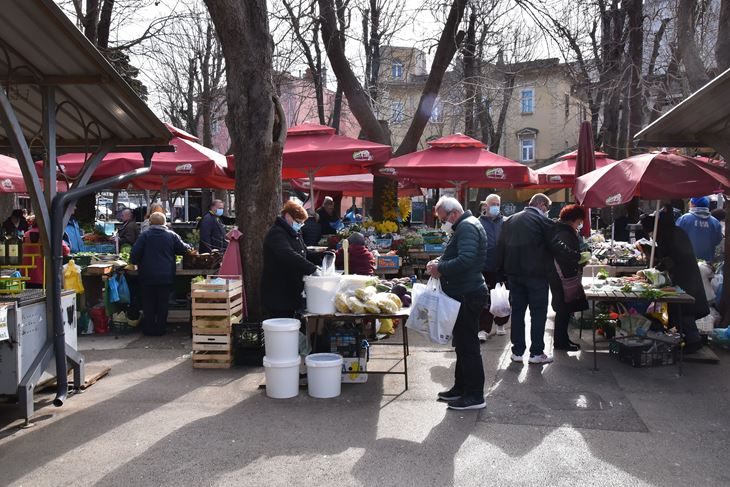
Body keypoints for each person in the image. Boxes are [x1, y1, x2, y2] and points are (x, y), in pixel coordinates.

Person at [427, 196, 488, 411]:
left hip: (467, 293)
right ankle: (461, 388)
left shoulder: (467, 228)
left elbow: (466, 260)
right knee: (462, 345)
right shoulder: (465, 226)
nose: (443, 223)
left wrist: (441, 268)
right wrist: (439, 262)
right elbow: (462, 256)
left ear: (453, 214)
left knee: (468, 346)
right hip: (464, 292)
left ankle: (474, 396)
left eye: (443, 219)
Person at [496, 193, 556, 364]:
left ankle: (517, 352)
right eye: (548, 208)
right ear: (542, 205)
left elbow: (500, 247)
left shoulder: (510, 221)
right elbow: (553, 247)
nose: (547, 211)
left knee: (517, 314)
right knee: (538, 314)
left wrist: (500, 273)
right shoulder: (544, 222)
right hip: (537, 276)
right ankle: (536, 353)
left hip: (514, 276)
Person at [640, 208, 708, 353]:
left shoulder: (667, 235)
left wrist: (655, 269)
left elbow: (671, 259)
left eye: (650, 233)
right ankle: (690, 338)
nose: (650, 236)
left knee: (684, 308)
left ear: (653, 228)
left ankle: (694, 341)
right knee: (681, 308)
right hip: (685, 275)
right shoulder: (671, 231)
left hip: (685, 278)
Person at [130, 212, 191, 336]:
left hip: (147, 275)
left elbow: (135, 253)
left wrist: (135, 262)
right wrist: (189, 246)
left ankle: (149, 329)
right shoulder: (171, 235)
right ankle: (160, 329)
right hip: (166, 275)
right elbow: (183, 249)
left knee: (148, 303)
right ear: (164, 223)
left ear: (150, 223)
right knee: (163, 303)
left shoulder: (145, 235)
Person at [261, 200, 321, 318]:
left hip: (291, 292)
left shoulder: (294, 233)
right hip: (278, 293)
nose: (299, 225)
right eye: (298, 222)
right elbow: (288, 254)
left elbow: (303, 252)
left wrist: (322, 257)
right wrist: (312, 268)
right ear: (288, 216)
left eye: (302, 223)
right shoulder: (277, 233)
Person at [549, 205, 590, 352]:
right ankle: (560, 343)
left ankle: (563, 340)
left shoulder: (559, 229)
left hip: (559, 276)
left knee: (564, 310)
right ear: (572, 219)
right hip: (563, 277)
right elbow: (565, 256)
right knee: (563, 310)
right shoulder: (564, 232)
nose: (579, 224)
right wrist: (580, 258)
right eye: (578, 221)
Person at [477, 195, 509, 342]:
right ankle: (483, 329)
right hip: (485, 267)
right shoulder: (478, 223)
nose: (496, 206)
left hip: (503, 267)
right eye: (493, 204)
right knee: (486, 300)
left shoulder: (506, 222)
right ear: (486, 206)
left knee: (504, 297)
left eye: (498, 204)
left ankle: (501, 323)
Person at [676, 197, 723, 262]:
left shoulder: (684, 219)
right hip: (707, 263)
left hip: (686, 261)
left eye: (690, 202)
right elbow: (718, 241)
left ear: (693, 205)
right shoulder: (715, 222)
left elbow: (676, 237)